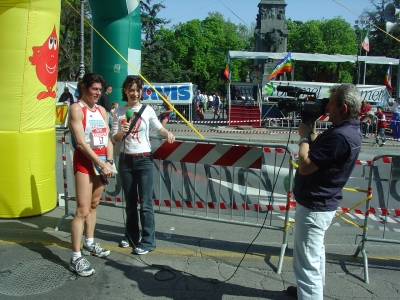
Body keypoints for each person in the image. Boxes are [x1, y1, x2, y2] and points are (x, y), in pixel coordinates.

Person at [287, 83, 362, 299]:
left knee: (306, 266)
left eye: (331, 104)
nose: (326, 108)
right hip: (320, 203)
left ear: (343, 108)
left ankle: (309, 294)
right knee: (315, 256)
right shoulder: (345, 131)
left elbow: (305, 165)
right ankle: (309, 292)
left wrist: (303, 136)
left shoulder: (340, 137)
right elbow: (320, 152)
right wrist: (311, 132)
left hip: (315, 206)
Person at [112, 75, 175, 255]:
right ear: (125, 91)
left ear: (142, 92)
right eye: (131, 90)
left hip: (144, 160)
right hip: (126, 160)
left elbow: (158, 127)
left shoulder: (147, 110)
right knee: (130, 203)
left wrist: (167, 133)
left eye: (137, 90)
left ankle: (148, 241)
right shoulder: (118, 112)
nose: (134, 93)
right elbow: (114, 138)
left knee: (146, 203)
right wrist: (121, 132)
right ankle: (131, 236)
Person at [68, 73, 114, 277]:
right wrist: (101, 163)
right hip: (86, 163)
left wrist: (110, 162)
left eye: (99, 89)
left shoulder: (102, 110)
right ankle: (76, 257)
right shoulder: (76, 108)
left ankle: (90, 242)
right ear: (84, 87)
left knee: (94, 206)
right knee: (82, 210)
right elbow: (80, 143)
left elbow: (108, 139)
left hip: (102, 162)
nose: (97, 93)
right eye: (93, 89)